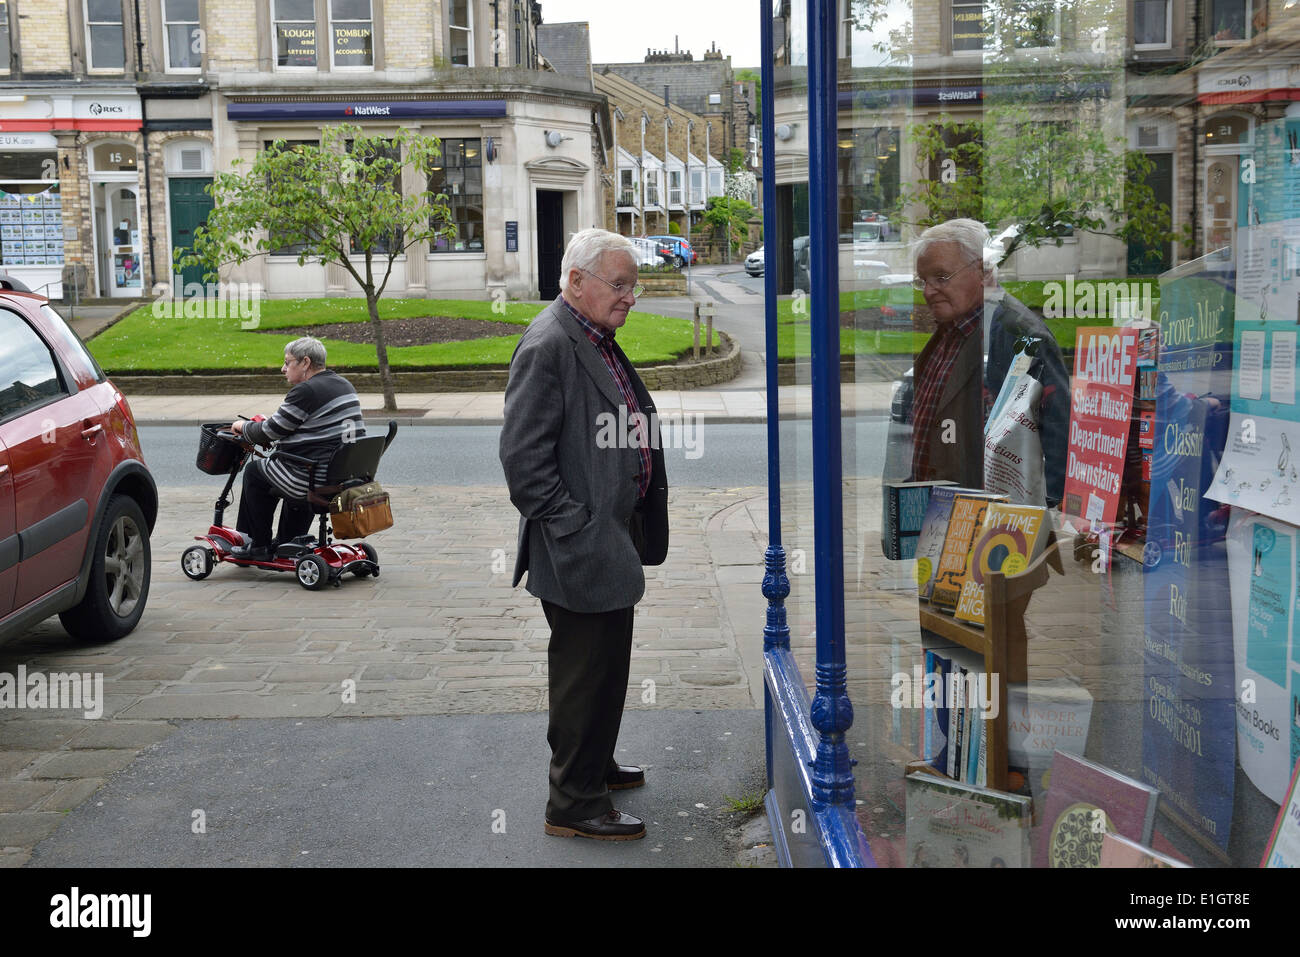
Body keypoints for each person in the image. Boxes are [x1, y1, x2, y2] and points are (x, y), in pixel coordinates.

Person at [499, 228, 669, 841]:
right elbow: (523, 461)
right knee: (581, 678)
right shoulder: (548, 345)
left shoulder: (596, 335)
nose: (630, 297)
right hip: (578, 545)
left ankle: (594, 766)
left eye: (633, 285)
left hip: (609, 541)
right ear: (576, 282)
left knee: (607, 668)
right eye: (618, 285)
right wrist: (578, 524)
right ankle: (572, 803)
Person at [909, 218, 1070, 507]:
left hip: (991, 527)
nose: (928, 291)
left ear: (983, 271)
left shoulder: (1018, 334)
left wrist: (1048, 518)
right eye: (923, 280)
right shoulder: (951, 330)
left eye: (941, 277)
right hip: (946, 519)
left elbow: (1057, 436)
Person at [228, 336, 366, 560]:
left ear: (305, 363)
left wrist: (242, 426)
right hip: (341, 476)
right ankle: (288, 541)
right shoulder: (343, 384)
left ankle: (258, 545)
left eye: (287, 362)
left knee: (255, 472)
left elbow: (270, 431)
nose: (283, 369)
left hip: (314, 477)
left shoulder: (306, 391)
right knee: (285, 469)